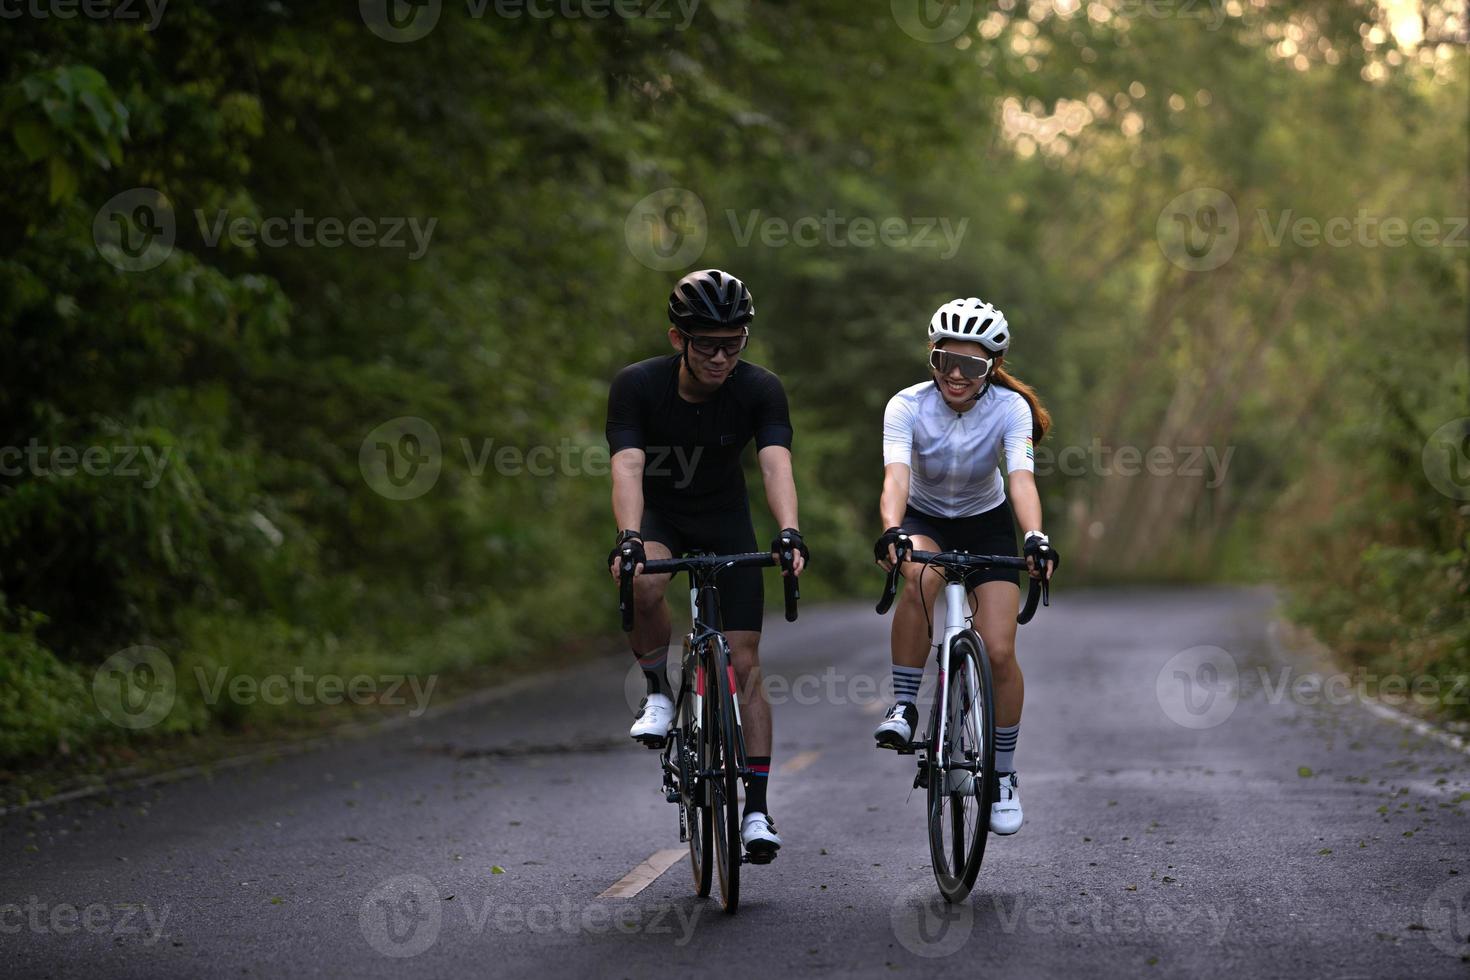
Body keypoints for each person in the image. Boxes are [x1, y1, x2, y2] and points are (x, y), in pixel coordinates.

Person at [605, 269, 808, 863]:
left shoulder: (760, 388)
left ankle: (757, 810)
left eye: (734, 343)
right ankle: (658, 693)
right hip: (662, 518)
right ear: (678, 339)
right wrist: (629, 538)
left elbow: (775, 464)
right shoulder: (637, 387)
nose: (722, 357)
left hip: (725, 520)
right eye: (708, 344)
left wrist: (789, 531)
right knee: (642, 579)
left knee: (744, 664)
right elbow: (627, 468)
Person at [872, 297, 1059, 835]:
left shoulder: (1009, 408)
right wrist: (892, 528)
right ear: (931, 358)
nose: (955, 374)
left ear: (991, 368)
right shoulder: (905, 405)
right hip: (923, 516)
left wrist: (1034, 537)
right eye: (943, 361)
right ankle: (905, 707)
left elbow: (1021, 479)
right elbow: (896, 478)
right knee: (922, 576)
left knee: (999, 650)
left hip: (986, 521)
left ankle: (1002, 776)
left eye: (971, 366)